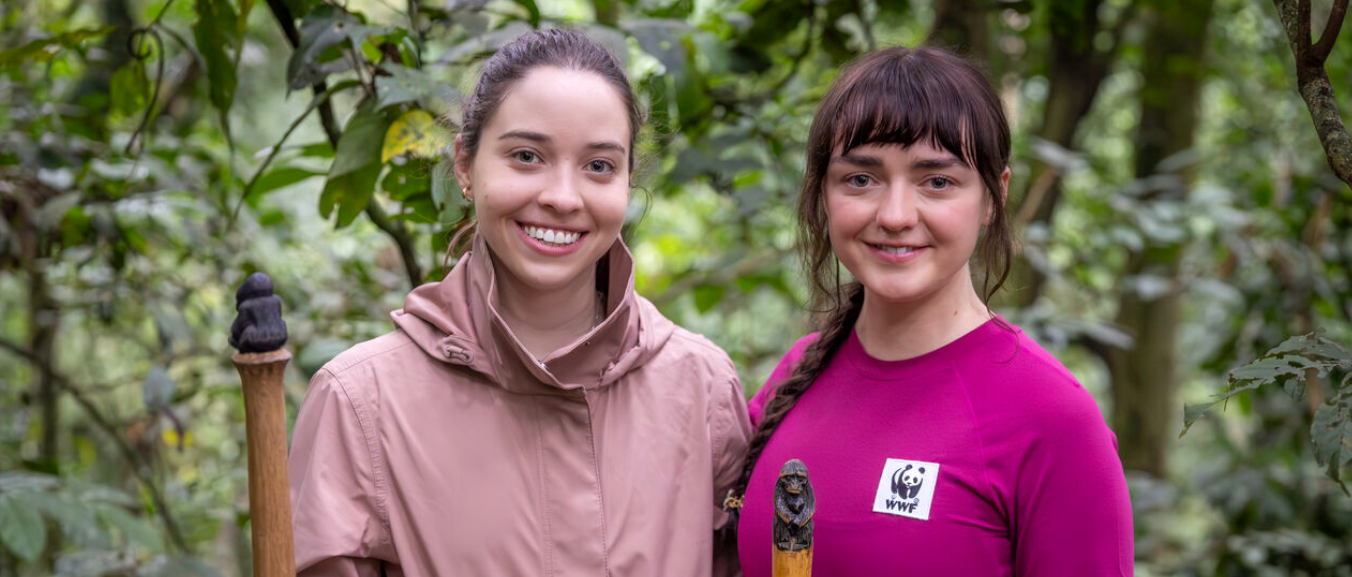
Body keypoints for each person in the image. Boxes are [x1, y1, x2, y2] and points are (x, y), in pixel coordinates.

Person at [288, 29, 751, 576]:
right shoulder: (361, 402)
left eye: (598, 165)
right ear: (464, 164)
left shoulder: (700, 387)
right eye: (527, 156)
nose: (561, 196)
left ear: (629, 181)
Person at [728, 46, 1134, 576]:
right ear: (823, 192)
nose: (895, 215)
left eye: (936, 181)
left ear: (994, 197)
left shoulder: (1052, 418)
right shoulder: (797, 375)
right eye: (861, 179)